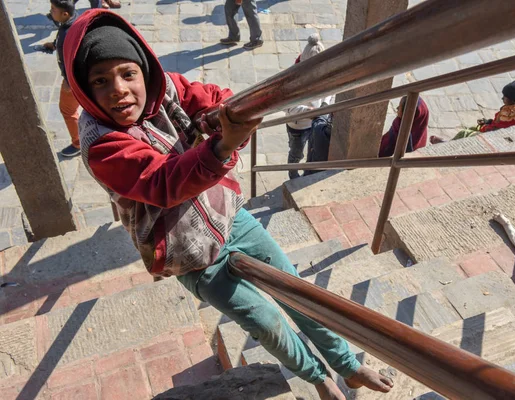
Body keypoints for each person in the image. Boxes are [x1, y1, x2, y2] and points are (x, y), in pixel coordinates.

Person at [64, 10, 393, 399]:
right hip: (188, 254)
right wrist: (221, 144)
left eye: (127, 74)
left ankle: (348, 365)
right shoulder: (101, 143)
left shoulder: (164, 87)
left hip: (229, 217)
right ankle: (316, 375)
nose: (118, 89)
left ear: (144, 71)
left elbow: (215, 98)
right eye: (100, 81)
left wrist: (220, 116)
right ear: (84, 90)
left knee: (298, 291)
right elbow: (163, 183)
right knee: (265, 321)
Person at [430, 78, 515, 144]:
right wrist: (488, 122)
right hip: (499, 129)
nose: (503, 99)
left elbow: (498, 129)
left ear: (512, 99)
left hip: (501, 139)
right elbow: (502, 123)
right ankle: (452, 141)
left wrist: (485, 126)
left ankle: (448, 144)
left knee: (465, 133)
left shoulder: (514, 113)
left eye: (504, 97)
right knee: (473, 128)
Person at [285, 34, 332, 179]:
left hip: (316, 122)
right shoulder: (291, 79)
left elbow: (330, 91)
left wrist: (325, 104)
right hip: (298, 126)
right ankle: (293, 174)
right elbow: (287, 107)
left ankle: (307, 173)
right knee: (296, 152)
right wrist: (309, 111)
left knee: (314, 149)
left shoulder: (324, 74)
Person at [41, 0, 82, 157]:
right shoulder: (73, 21)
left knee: (67, 110)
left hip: (73, 80)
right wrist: (54, 44)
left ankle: (78, 143)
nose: (51, 12)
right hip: (77, 78)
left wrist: (68, 80)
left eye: (53, 10)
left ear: (65, 14)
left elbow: (72, 60)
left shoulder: (66, 33)